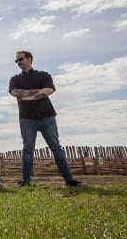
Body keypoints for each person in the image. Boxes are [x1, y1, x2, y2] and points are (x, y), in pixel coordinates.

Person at [9, 50, 82, 187]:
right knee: (28, 148)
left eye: (21, 59)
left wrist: (28, 96)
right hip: (26, 118)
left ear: (29, 59)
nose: (18, 62)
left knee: (55, 147)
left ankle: (69, 179)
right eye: (17, 60)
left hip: (47, 115)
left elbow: (49, 90)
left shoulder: (43, 75)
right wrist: (38, 92)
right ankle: (26, 180)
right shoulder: (15, 79)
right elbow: (14, 92)